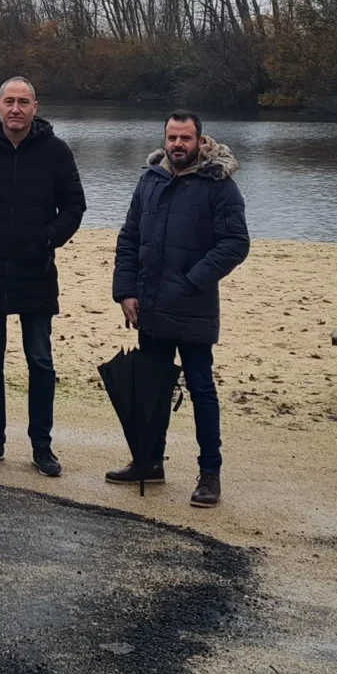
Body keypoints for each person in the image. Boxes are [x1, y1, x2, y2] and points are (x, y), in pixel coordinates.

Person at [108, 111, 248, 507]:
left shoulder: (219, 185)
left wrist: (192, 281)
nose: (177, 144)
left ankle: (210, 474)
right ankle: (149, 461)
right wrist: (125, 292)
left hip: (192, 306)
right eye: (172, 137)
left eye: (185, 138)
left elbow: (235, 243)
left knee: (201, 390)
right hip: (149, 305)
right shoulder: (150, 180)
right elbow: (129, 238)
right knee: (152, 390)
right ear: (165, 139)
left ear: (200, 141)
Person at [0, 75, 85, 476]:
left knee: (40, 361)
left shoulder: (56, 151)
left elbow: (74, 207)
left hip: (36, 272)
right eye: (9, 101)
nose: (16, 109)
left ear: (35, 108)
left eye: (23, 102)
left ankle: (42, 445)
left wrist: (47, 239)